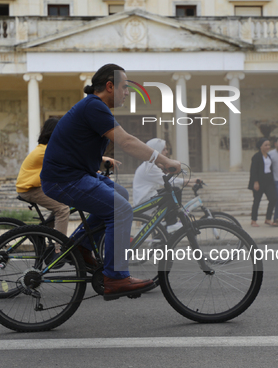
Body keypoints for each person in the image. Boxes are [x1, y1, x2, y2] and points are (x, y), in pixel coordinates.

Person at [40, 63, 181, 301]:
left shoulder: (95, 108)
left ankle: (81, 247)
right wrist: (162, 160)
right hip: (64, 179)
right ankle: (115, 277)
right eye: (125, 87)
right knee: (121, 210)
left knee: (121, 196)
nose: (127, 92)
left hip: (75, 174)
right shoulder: (94, 106)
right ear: (109, 86)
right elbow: (126, 141)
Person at [15, 118, 70, 235]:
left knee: (65, 201)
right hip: (30, 189)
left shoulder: (46, 148)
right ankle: (59, 247)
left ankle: (44, 232)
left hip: (36, 187)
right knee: (63, 209)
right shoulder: (46, 150)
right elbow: (71, 160)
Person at [248, 138, 278, 227]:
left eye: (269, 145)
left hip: (268, 181)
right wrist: (255, 182)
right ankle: (253, 220)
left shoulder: (268, 156)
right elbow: (253, 170)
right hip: (259, 181)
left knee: (273, 199)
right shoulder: (256, 156)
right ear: (261, 146)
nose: (268, 147)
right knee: (257, 201)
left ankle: (268, 219)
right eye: (266, 145)